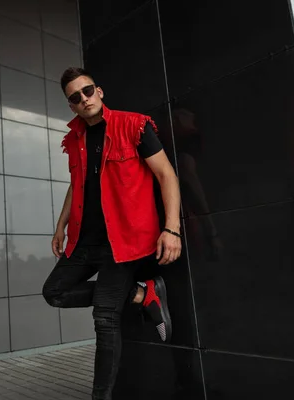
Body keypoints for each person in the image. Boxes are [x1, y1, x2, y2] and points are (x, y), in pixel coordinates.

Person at [42, 67, 182, 400]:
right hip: (85, 239)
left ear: (99, 91)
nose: (84, 99)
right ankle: (140, 293)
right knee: (54, 292)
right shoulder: (73, 138)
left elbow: (166, 175)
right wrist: (61, 224)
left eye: (87, 91)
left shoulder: (134, 126)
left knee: (104, 318)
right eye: (75, 97)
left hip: (124, 240)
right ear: (71, 106)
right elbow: (76, 184)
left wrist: (171, 228)